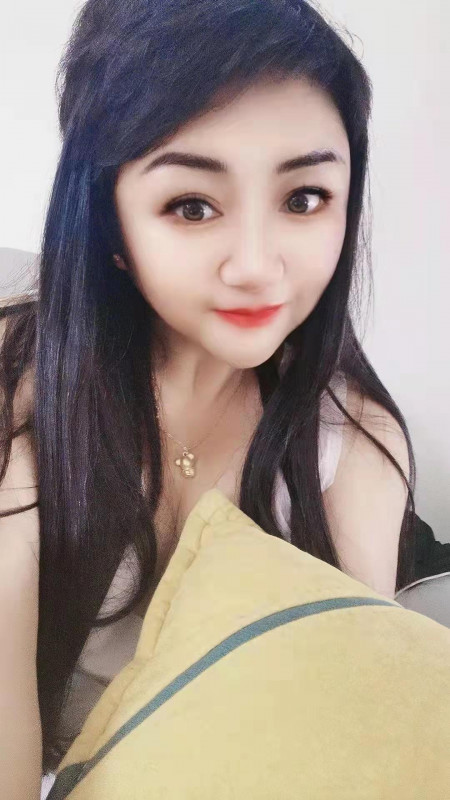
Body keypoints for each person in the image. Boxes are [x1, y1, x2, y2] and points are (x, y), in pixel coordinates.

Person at [0, 0, 417, 796]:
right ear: (109, 224)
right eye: (192, 206)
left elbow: (343, 734)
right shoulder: (17, 384)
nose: (257, 265)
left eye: (304, 198)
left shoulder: (355, 443)